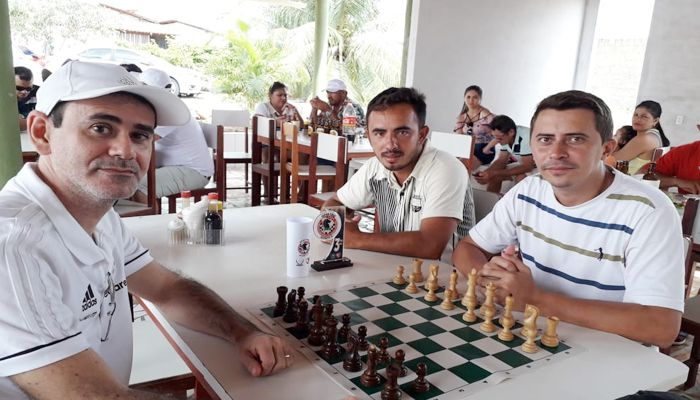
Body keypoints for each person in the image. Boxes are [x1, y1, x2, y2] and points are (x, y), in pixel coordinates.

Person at [0, 61, 293, 399]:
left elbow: (168, 289)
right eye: (100, 128)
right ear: (41, 132)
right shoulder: (14, 247)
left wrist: (243, 333)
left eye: (140, 135)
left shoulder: (97, 212)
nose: (126, 151)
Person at [452, 90, 683, 348]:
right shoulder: (528, 190)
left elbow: (660, 326)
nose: (556, 152)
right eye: (545, 139)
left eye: (575, 139)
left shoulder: (648, 210)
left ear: (607, 149)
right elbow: (468, 248)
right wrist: (490, 281)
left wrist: (534, 299)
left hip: (608, 356)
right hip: (531, 337)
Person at [324, 87, 474, 261]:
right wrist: (338, 224)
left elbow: (430, 245)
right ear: (369, 137)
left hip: (442, 280)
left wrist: (356, 239)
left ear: (421, 135)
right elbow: (335, 202)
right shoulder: (375, 167)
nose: (390, 144)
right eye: (379, 133)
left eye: (402, 132)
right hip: (391, 269)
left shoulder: (446, 169)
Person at [133, 67, 213, 202]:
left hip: (193, 171)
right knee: (127, 178)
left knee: (139, 186)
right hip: (175, 166)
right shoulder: (160, 107)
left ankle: (148, 221)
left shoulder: (171, 109)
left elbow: (143, 139)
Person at [472, 115, 536, 193]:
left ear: (511, 132)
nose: (497, 141)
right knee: (495, 176)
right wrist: (486, 173)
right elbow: (501, 160)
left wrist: (494, 173)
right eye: (495, 137)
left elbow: (527, 167)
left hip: (538, 167)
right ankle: (493, 202)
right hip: (526, 164)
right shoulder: (506, 138)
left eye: (499, 138)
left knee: (520, 178)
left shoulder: (526, 136)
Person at [611, 101, 670, 175]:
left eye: (644, 116)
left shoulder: (645, 139)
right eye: (636, 115)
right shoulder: (654, 135)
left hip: (631, 183)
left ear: (655, 120)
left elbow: (611, 161)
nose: (638, 119)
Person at [453, 85, 495, 169]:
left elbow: (500, 132)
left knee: (462, 166)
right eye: (468, 97)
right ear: (464, 98)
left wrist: (488, 147)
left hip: (483, 150)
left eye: (475, 97)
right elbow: (459, 139)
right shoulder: (461, 117)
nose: (471, 100)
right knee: (450, 164)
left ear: (480, 99)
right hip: (467, 149)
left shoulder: (485, 114)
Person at [15, 66, 39, 130]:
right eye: (19, 88)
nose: (24, 92)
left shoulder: (39, 93)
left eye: (28, 89)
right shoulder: (3, 98)